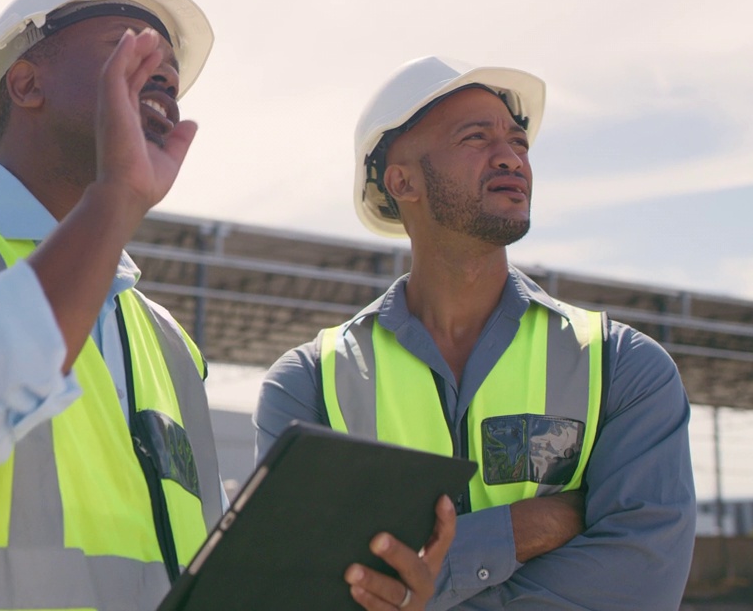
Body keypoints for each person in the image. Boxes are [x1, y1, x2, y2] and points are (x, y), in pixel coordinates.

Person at [0, 0, 452, 611]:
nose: (163, 73)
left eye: (171, 72)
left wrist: (350, 594)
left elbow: (199, 577)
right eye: (129, 50)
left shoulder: (162, 338)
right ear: (26, 82)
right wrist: (115, 198)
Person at [255, 56, 696, 610]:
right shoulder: (308, 385)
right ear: (402, 180)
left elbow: (639, 586)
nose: (511, 156)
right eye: (476, 137)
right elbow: (296, 591)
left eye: (518, 141)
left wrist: (433, 575)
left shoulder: (624, 368)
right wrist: (516, 530)